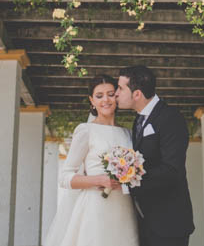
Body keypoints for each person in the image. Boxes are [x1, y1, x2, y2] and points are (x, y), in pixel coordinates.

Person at [42, 74, 139, 246]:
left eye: (110, 94)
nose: (105, 100)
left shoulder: (128, 134)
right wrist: (99, 180)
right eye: (99, 96)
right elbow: (65, 177)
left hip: (124, 208)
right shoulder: (86, 130)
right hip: (96, 207)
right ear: (92, 101)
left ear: (117, 97)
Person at [116, 65, 195, 246]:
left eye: (120, 88)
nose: (116, 93)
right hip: (145, 220)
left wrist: (129, 181)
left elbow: (172, 170)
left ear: (137, 94)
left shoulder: (171, 117)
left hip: (169, 223)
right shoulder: (138, 120)